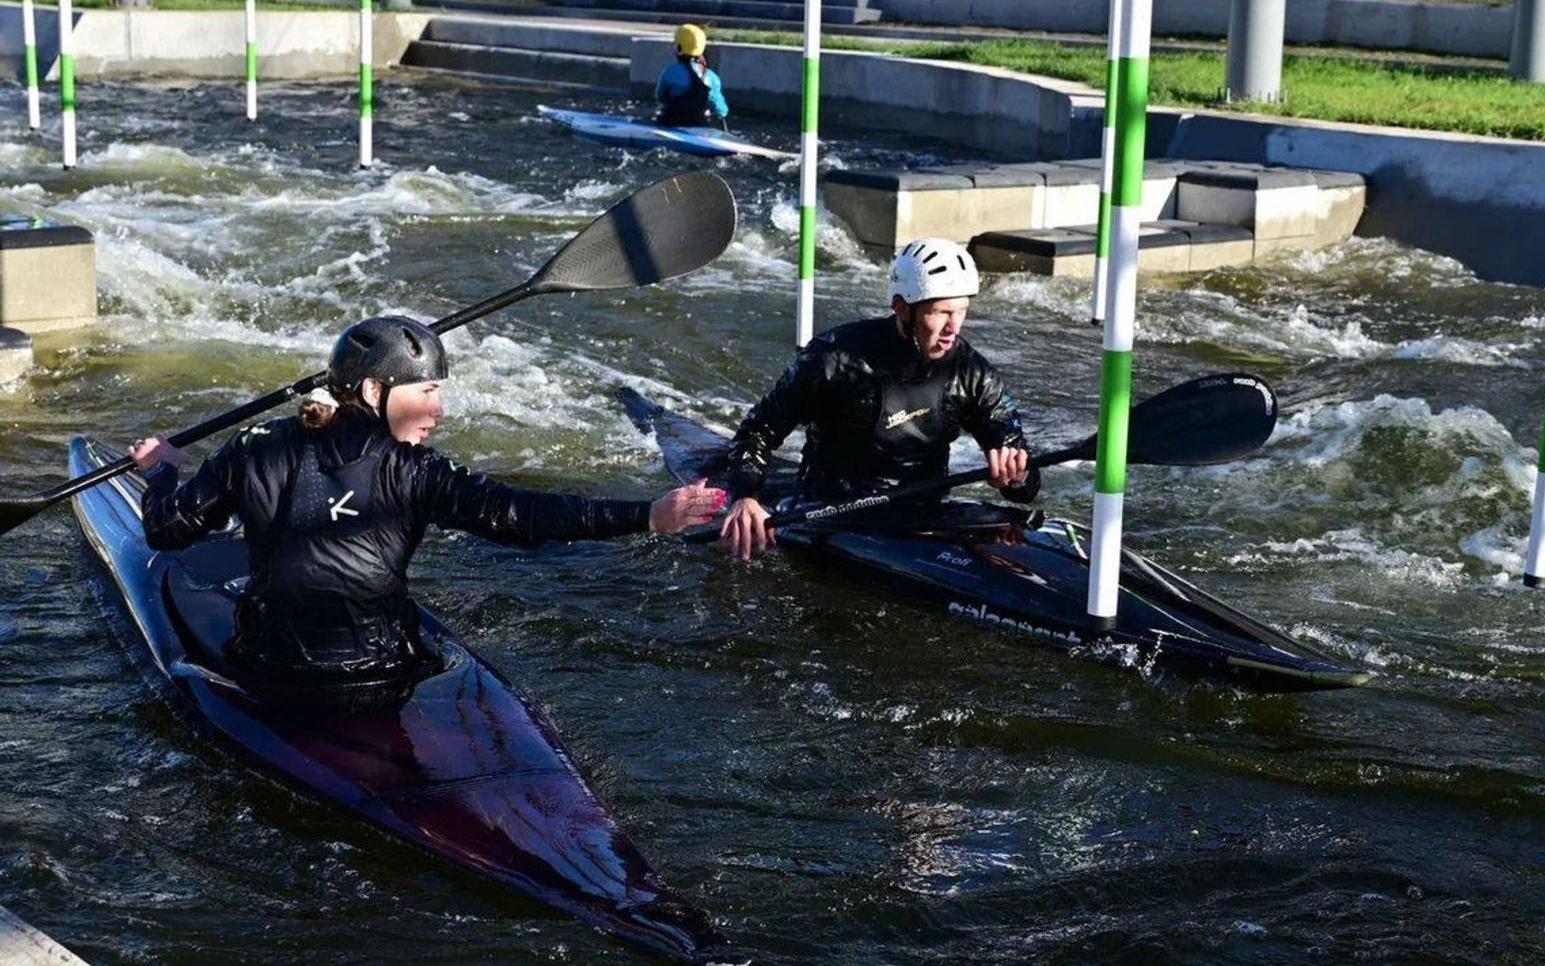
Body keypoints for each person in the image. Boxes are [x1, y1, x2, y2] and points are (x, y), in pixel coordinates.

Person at [128, 315, 724, 703]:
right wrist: (647, 516)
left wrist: (161, 471)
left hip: (270, 666)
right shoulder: (417, 470)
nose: (438, 410)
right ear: (371, 391)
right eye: (428, 392)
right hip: (379, 673)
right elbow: (522, 517)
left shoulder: (251, 448)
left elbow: (167, 531)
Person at [718, 237, 1039, 560]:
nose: (953, 329)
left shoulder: (973, 373)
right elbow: (757, 432)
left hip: (923, 514)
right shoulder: (833, 359)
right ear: (901, 307)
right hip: (831, 513)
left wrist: (1016, 474)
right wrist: (745, 497)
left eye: (962, 312)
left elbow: (1026, 484)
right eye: (940, 312)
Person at [654, 23, 730, 129]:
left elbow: (660, 96)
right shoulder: (711, 77)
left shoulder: (670, 72)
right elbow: (722, 110)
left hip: (671, 123)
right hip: (700, 126)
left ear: (679, 48)